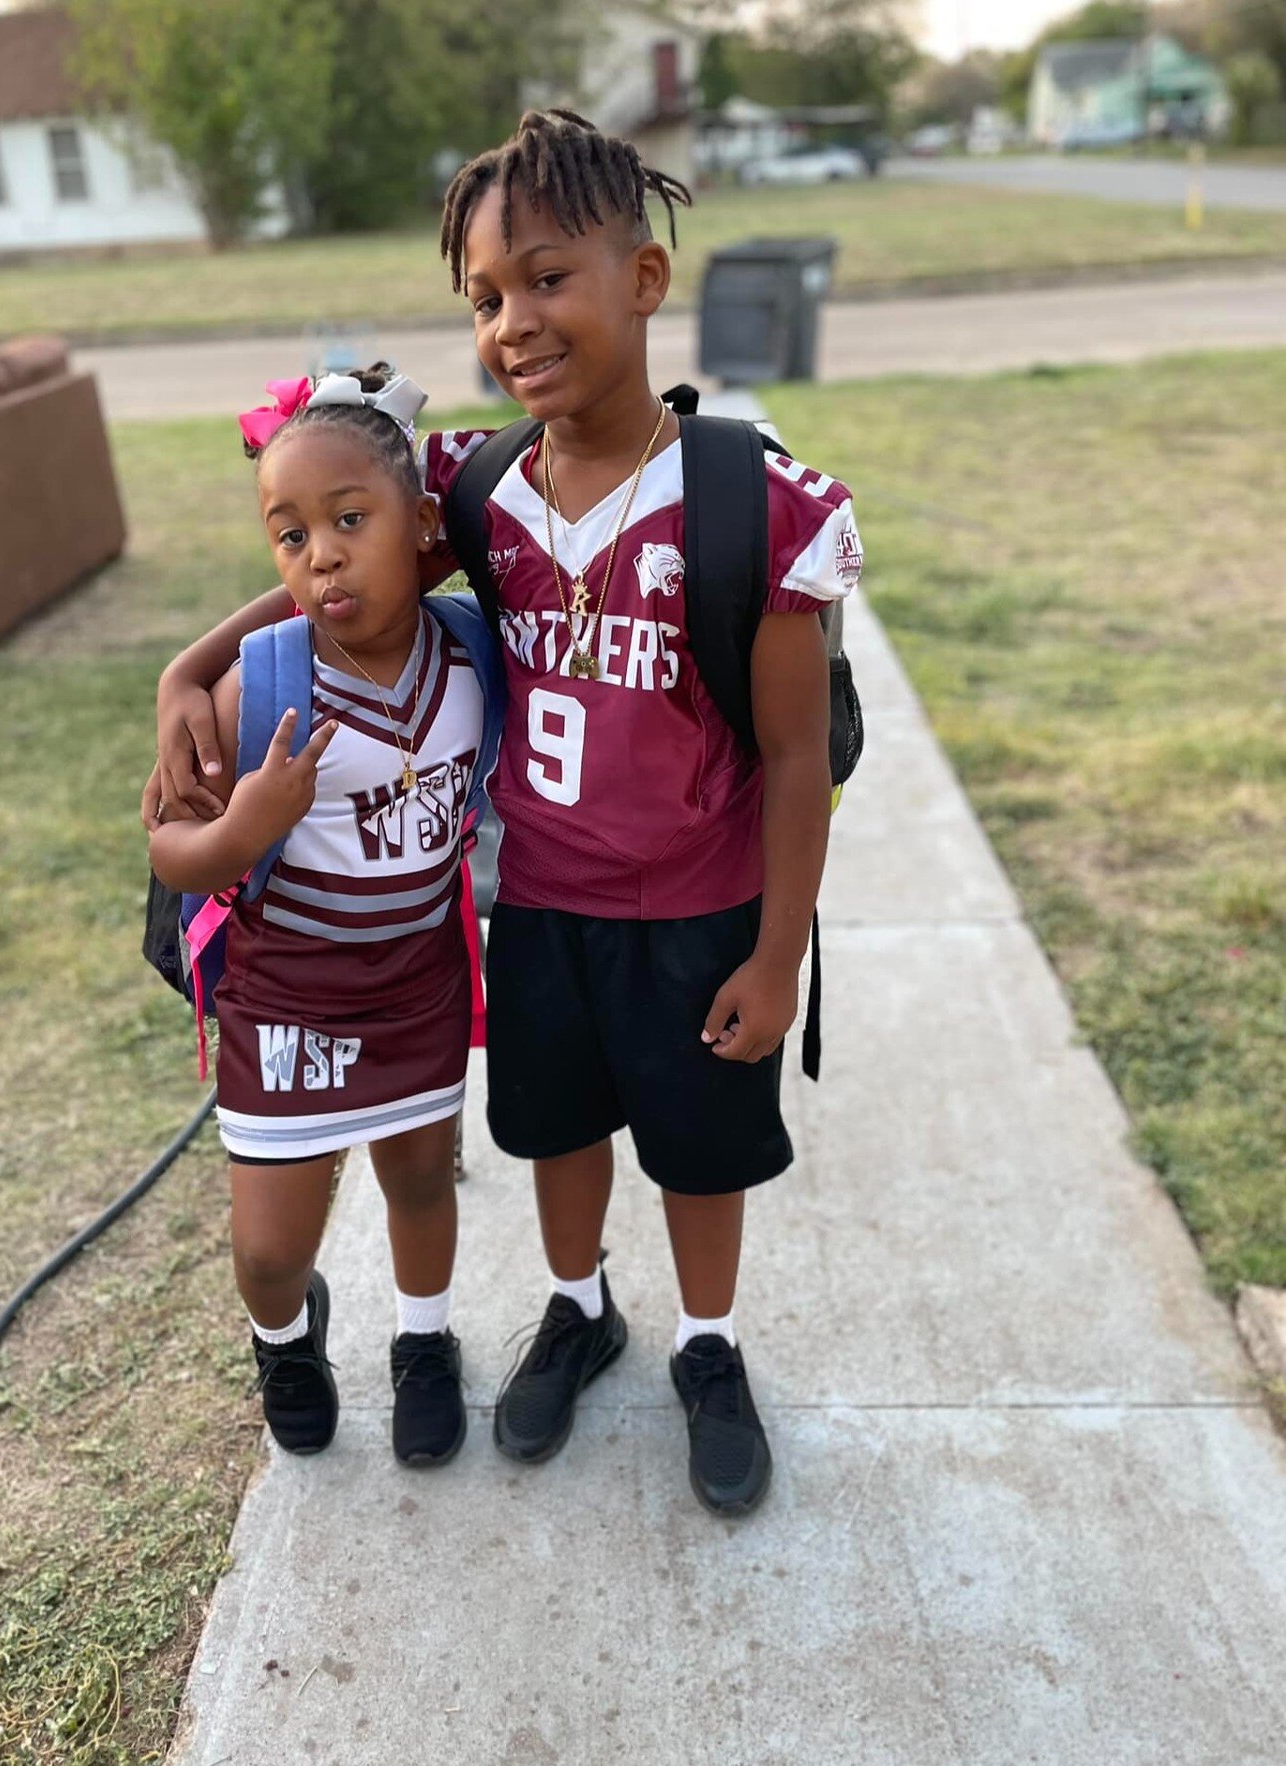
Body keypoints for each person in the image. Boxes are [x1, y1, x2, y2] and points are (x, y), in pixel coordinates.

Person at [144, 112, 863, 1517]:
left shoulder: (753, 503)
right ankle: (576, 1306)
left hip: (701, 909)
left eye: (547, 278)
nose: (514, 321)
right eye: (483, 298)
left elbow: (794, 759)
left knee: (700, 1147)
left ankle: (708, 1348)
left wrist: (778, 955)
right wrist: (195, 663)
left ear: (643, 280)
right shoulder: (478, 486)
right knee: (558, 1129)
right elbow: (349, 548)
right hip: (541, 904)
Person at [148, 366, 494, 1469]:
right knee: (266, 1249)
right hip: (289, 991)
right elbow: (170, 842)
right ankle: (286, 1340)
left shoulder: (477, 655)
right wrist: (243, 828)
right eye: (289, 535)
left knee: (420, 1183)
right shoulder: (266, 687)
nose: (323, 555)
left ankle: (426, 1340)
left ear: (422, 527)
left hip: (418, 979)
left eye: (350, 520)